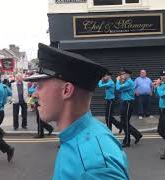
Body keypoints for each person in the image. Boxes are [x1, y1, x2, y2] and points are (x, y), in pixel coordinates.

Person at [25, 43, 129, 179]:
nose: (34, 94)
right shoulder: (89, 131)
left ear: (66, 90)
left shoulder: (92, 167)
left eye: (40, 86)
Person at [116, 69, 143, 148]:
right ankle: (137, 135)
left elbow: (118, 88)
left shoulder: (129, 82)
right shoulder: (125, 82)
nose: (121, 75)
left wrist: (118, 81)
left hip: (128, 103)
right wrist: (120, 81)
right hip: (124, 102)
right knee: (124, 122)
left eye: (123, 74)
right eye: (121, 74)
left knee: (125, 123)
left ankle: (127, 141)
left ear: (128, 75)